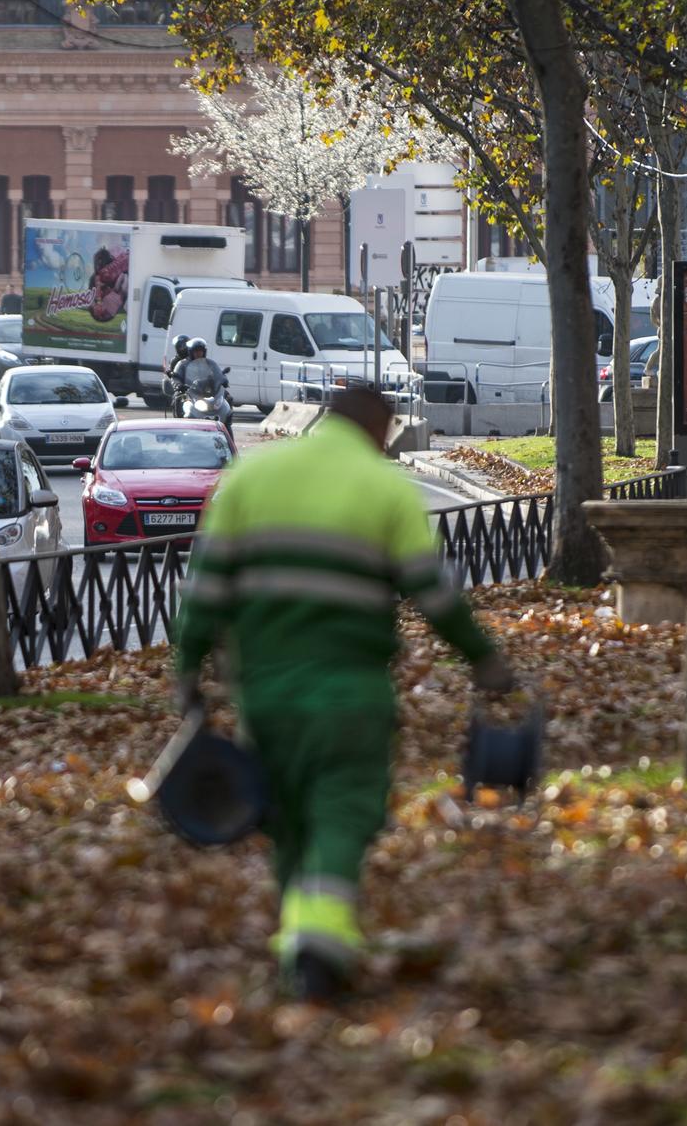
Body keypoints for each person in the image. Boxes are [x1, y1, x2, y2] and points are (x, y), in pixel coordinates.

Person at [172, 383, 515, 1001]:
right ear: (379, 431)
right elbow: (434, 597)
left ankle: (295, 947)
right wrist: (485, 660)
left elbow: (204, 591)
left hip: (265, 694)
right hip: (350, 693)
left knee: (286, 818)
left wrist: (187, 673)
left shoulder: (251, 479)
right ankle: (319, 949)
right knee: (343, 810)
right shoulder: (384, 489)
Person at [171, 339, 224, 408]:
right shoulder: (182, 364)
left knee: (227, 397)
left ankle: (226, 417)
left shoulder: (210, 363)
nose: (198, 353)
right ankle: (179, 417)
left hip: (208, 391)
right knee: (178, 399)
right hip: (188, 391)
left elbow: (218, 374)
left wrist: (223, 380)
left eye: (200, 351)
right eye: (196, 351)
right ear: (191, 352)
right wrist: (178, 385)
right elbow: (176, 377)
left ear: (204, 352)